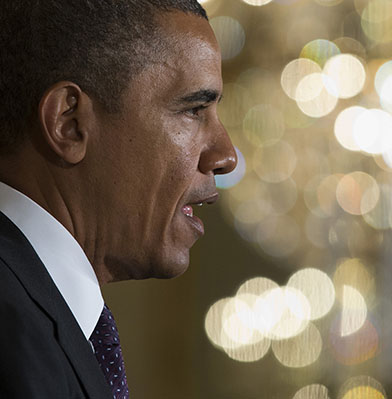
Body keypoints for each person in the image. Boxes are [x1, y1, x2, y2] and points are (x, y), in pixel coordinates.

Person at [0, 1, 237, 398]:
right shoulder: (13, 336)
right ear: (69, 124)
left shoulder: (39, 314)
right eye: (194, 109)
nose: (226, 155)